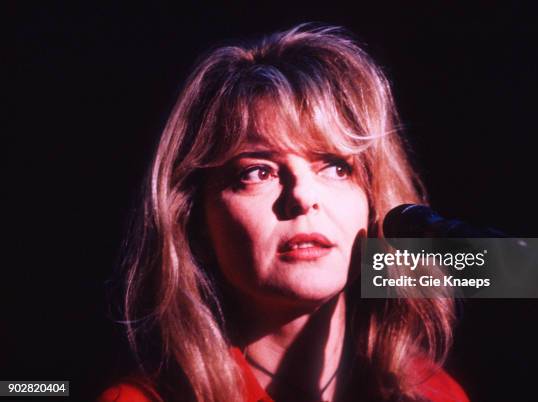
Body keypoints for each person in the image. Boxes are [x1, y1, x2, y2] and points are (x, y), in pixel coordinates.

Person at [98, 23, 468, 402]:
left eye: (336, 167)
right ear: (195, 219)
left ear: (376, 202)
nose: (303, 197)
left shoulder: (435, 392)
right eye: (257, 172)